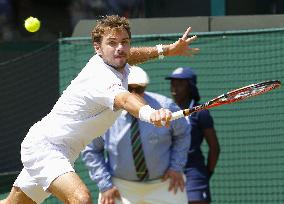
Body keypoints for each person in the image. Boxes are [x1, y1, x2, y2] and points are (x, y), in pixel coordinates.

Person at [0, 15, 199, 204]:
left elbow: (131, 55)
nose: (120, 48)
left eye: (125, 41)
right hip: (45, 147)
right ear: (98, 48)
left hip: (64, 150)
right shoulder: (100, 76)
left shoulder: (117, 62)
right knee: (81, 198)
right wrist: (150, 113)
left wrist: (167, 50)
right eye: (112, 43)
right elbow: (124, 99)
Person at [82, 66, 190, 204]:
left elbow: (182, 133)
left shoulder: (165, 106)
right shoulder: (104, 113)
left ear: (145, 88)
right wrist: (105, 185)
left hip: (164, 184)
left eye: (138, 89)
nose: (133, 94)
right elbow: (91, 150)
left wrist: (176, 167)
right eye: (128, 88)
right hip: (119, 187)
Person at [165, 67, 220, 204]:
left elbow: (214, 147)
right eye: (172, 83)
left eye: (180, 83)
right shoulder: (165, 111)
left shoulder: (201, 112)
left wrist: (206, 174)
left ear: (190, 87)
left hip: (194, 173)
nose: (174, 87)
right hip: (168, 173)